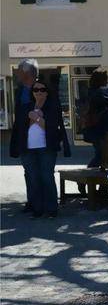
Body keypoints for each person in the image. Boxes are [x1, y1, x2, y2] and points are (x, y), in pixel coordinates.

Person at [9, 80, 71, 218]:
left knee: (47, 177)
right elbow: (20, 127)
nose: (39, 92)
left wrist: (37, 119)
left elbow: (52, 128)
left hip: (47, 148)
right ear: (32, 93)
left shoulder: (52, 108)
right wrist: (33, 118)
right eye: (36, 90)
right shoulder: (26, 108)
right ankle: (37, 209)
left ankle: (51, 209)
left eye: (42, 90)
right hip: (28, 149)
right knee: (33, 178)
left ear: (47, 93)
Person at [12, 59, 39, 213]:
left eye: (19, 70)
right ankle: (32, 202)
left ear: (27, 73)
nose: (17, 73)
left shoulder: (40, 89)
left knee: (37, 173)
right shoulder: (20, 90)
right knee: (29, 172)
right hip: (23, 138)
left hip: (37, 138)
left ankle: (39, 204)